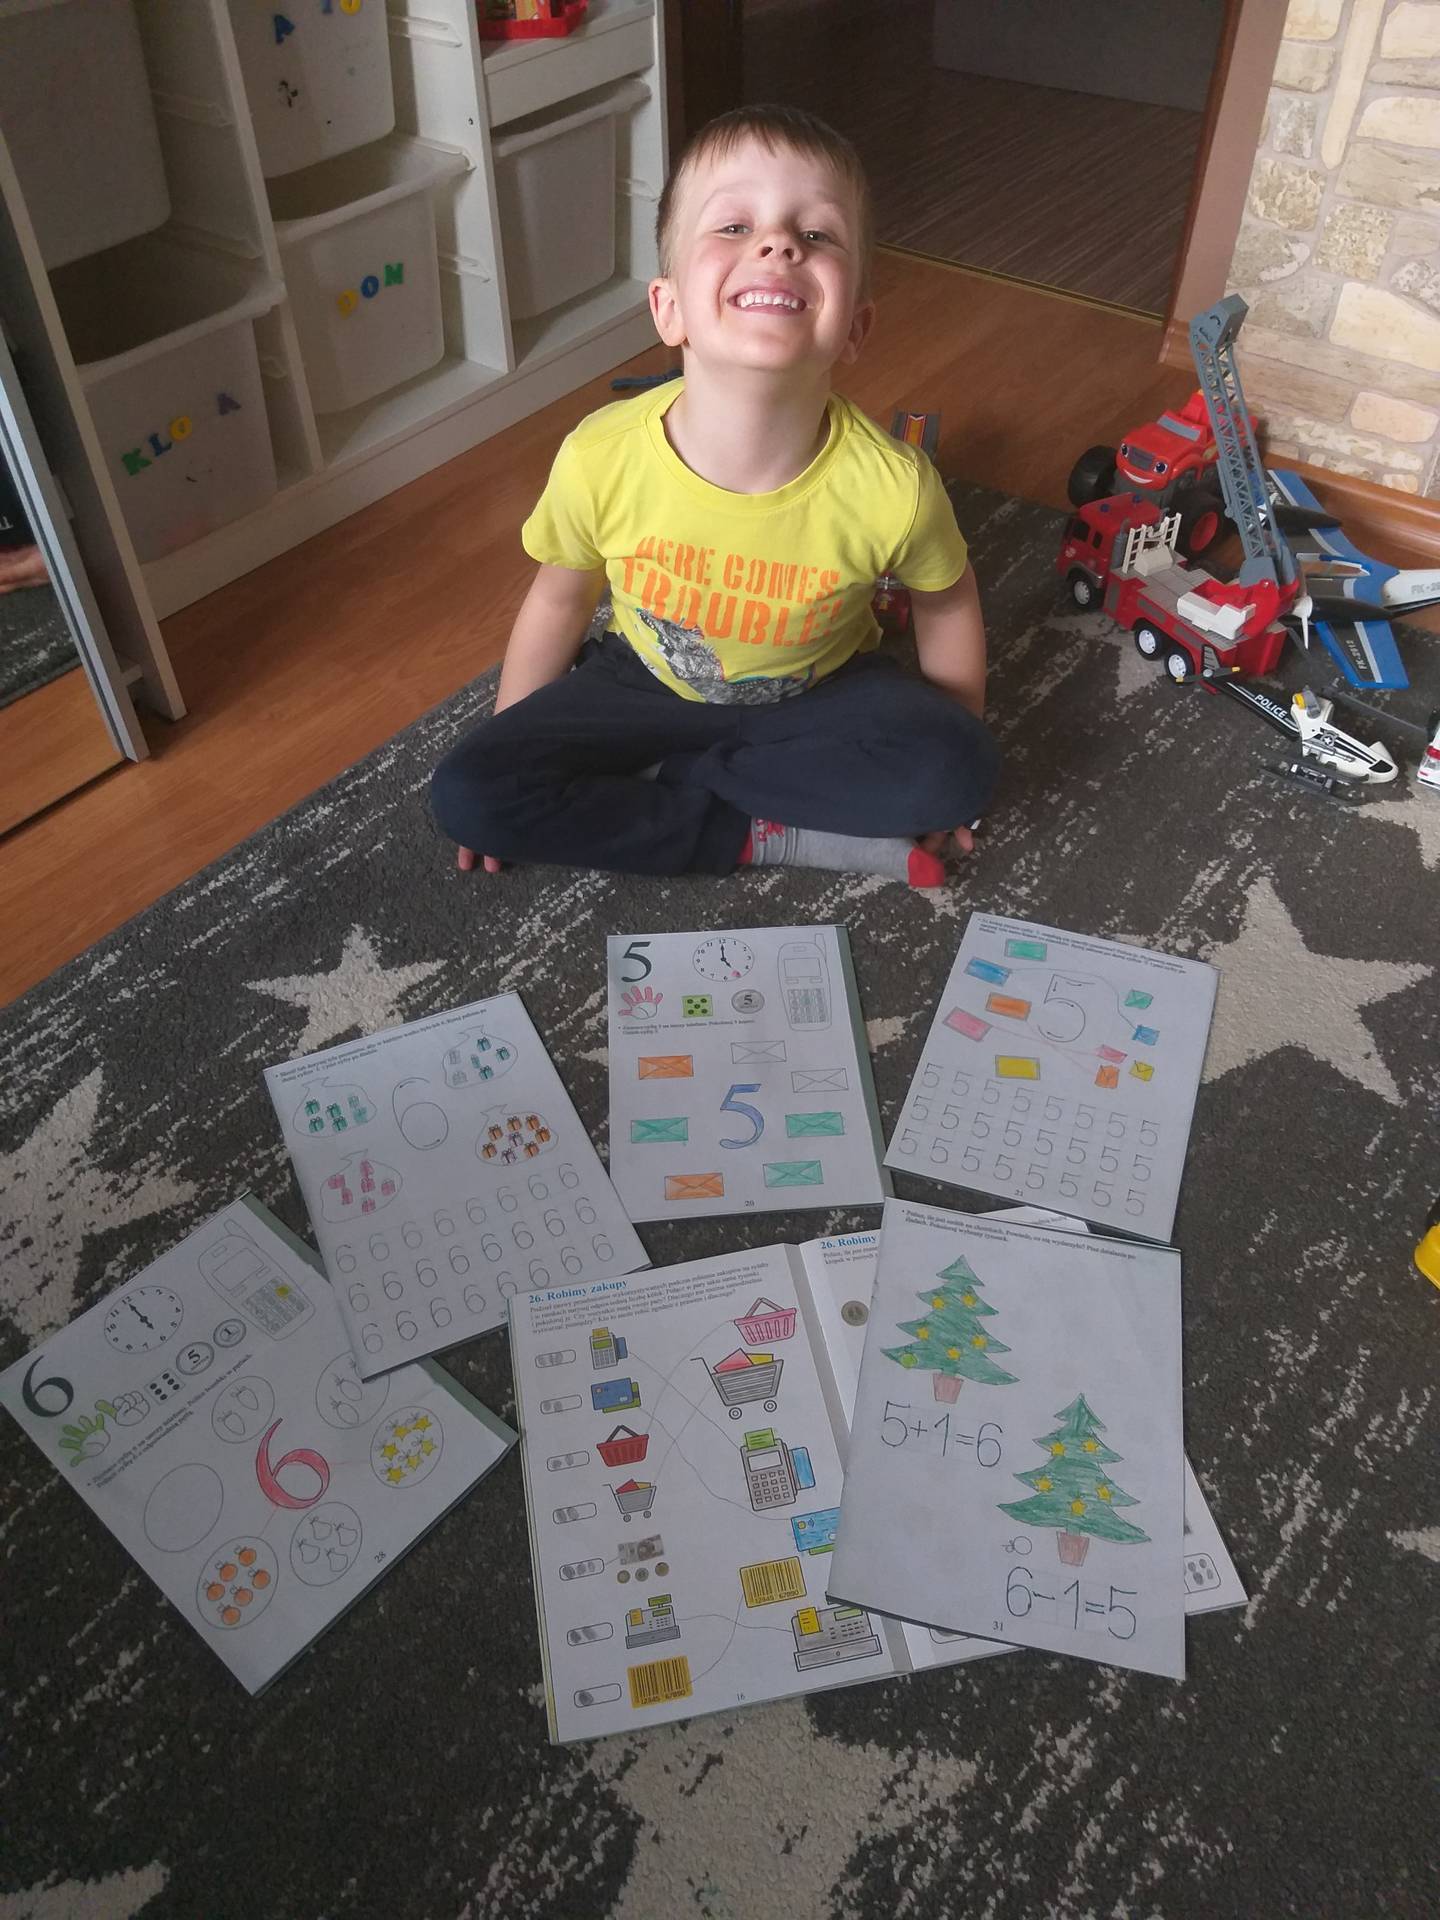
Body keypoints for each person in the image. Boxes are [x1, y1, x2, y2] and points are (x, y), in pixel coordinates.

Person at [431, 104, 998, 888]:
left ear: (855, 328)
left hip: (822, 691)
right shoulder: (601, 456)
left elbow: (947, 600)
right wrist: (515, 742)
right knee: (470, 793)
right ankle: (759, 830)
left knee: (961, 770)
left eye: (818, 233)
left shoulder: (894, 485)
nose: (779, 244)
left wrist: (957, 732)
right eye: (734, 226)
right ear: (669, 310)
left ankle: (668, 779)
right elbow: (560, 601)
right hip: (642, 683)